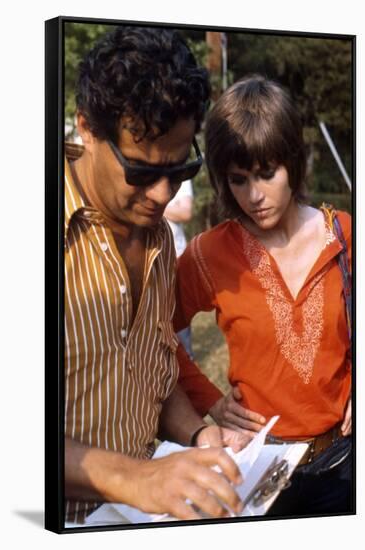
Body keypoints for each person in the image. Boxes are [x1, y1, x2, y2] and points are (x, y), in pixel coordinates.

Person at [64, 26, 251, 526]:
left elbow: (154, 369)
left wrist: (198, 435)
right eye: (143, 171)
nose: (164, 194)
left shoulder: (159, 240)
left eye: (181, 171)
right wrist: (136, 479)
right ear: (86, 128)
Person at [174, 75, 352, 516]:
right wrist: (208, 399)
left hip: (346, 465)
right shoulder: (208, 253)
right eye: (238, 179)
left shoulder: (347, 235)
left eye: (267, 173)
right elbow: (150, 333)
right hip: (258, 471)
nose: (254, 195)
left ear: (293, 161)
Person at [164, 179, 195, 358]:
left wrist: (151, 202)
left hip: (175, 257)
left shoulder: (182, 176)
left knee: (180, 326)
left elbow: (185, 212)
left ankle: (187, 361)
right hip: (146, 259)